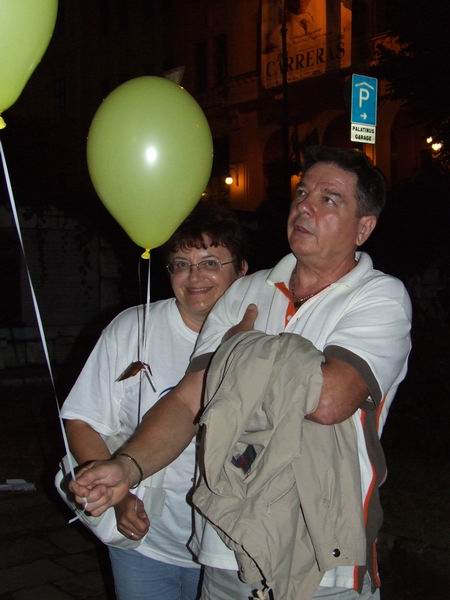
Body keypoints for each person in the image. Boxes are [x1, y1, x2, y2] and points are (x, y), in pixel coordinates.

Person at [69, 146, 412, 599]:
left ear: (363, 227)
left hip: (320, 557)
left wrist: (240, 348)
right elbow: (189, 401)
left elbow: (329, 399)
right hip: (224, 548)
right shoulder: (246, 292)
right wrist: (127, 466)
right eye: (302, 193)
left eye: (328, 199)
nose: (305, 206)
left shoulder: (379, 298)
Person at [61, 202, 248, 600]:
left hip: (232, 547)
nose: (194, 276)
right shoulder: (132, 328)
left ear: (242, 270)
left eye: (211, 262)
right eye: (181, 264)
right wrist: (120, 498)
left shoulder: (263, 338)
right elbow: (81, 419)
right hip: (145, 541)